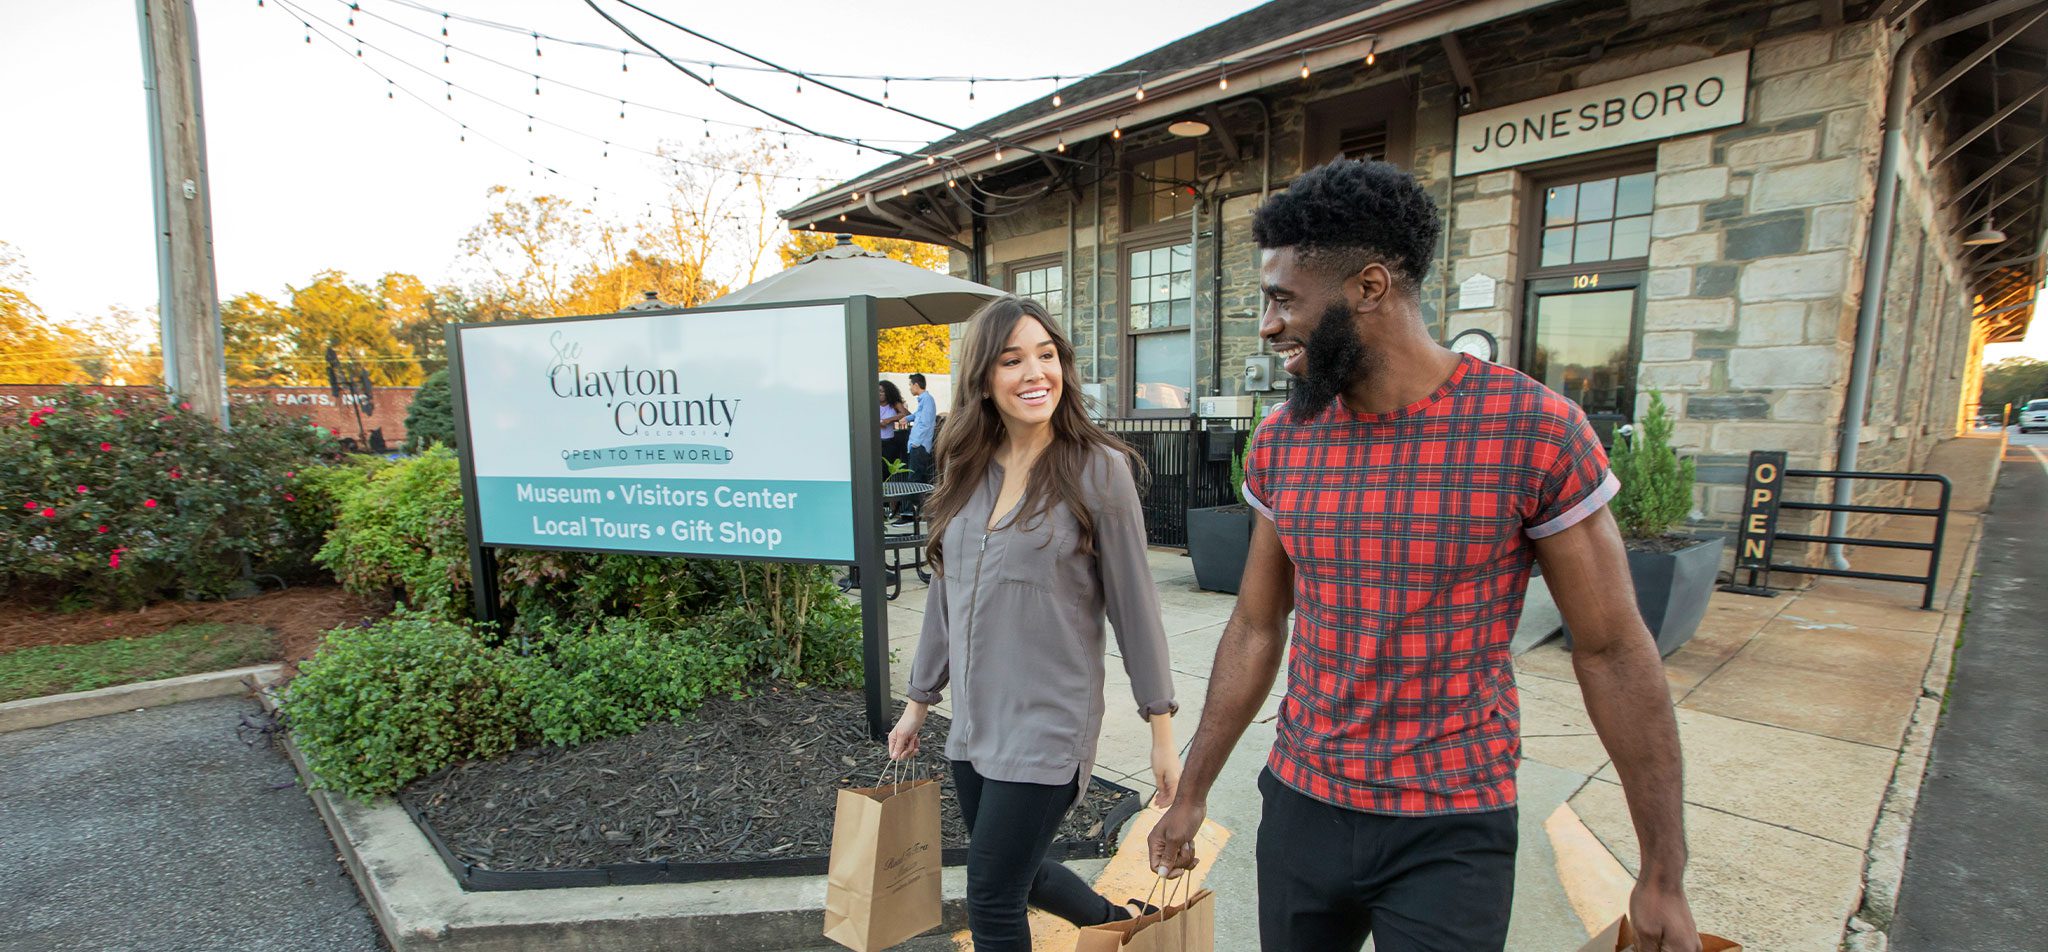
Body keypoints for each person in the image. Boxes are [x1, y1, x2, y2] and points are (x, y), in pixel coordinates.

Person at [1147, 160, 1700, 952]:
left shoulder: (1533, 430)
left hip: (1452, 825)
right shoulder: (1284, 439)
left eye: (1282, 299)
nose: (1268, 326)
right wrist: (1192, 791)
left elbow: (1612, 651)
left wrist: (1661, 871)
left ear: (1369, 287)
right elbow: (1257, 626)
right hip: (1305, 806)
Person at [889, 296, 1182, 952]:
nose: (1035, 373)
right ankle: (1120, 927)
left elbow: (1137, 608)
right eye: (1012, 359)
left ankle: (1115, 926)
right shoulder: (964, 466)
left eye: (1046, 356)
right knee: (1016, 873)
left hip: (1051, 721)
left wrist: (1161, 730)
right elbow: (946, 595)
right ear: (984, 379)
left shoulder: (1097, 470)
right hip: (974, 722)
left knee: (990, 896)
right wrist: (918, 704)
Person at [899, 372, 940, 526]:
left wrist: (917, 442)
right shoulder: (924, 400)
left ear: (916, 385)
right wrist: (907, 418)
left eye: (910, 385)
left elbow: (926, 423)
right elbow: (918, 415)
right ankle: (920, 513)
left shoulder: (927, 400)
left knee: (914, 480)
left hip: (919, 445)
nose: (909, 388)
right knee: (919, 479)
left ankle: (910, 514)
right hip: (917, 444)